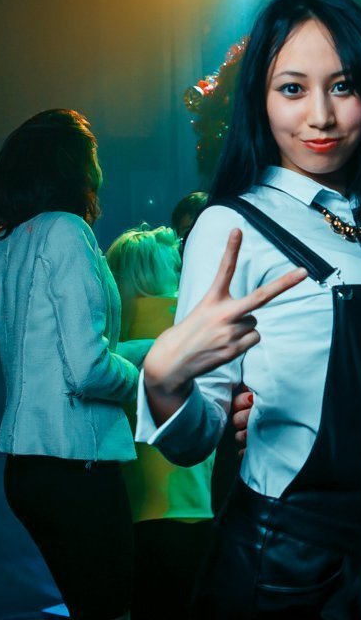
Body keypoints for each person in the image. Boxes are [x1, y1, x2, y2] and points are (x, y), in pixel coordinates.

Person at [135, 0, 361, 619]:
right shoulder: (232, 226)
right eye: (292, 89)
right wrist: (165, 382)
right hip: (287, 567)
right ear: (260, 100)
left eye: (343, 87)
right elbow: (198, 436)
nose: (321, 116)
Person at [0, 109, 138, 620]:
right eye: (92, 152)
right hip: (74, 463)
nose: (99, 165)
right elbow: (88, 370)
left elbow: (48, 354)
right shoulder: (67, 231)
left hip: (26, 467)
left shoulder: (7, 241)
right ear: (72, 163)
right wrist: (145, 377)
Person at [105, 224, 216, 620]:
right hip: (190, 501)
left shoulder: (106, 335)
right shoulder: (190, 324)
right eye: (175, 266)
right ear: (158, 271)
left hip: (128, 507)